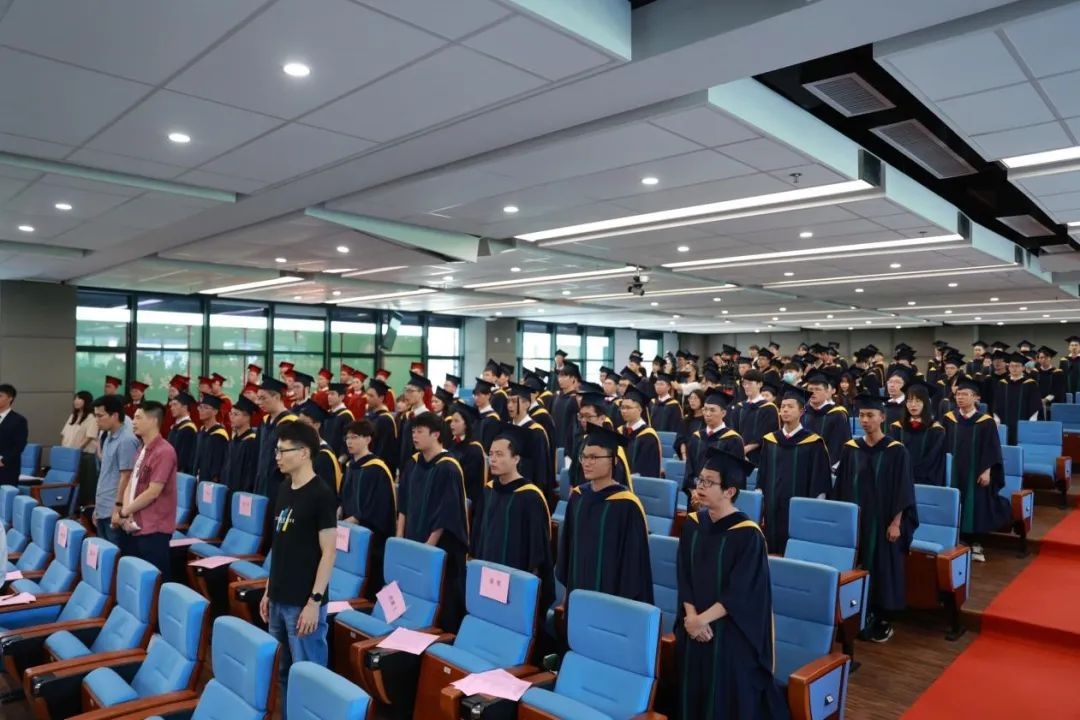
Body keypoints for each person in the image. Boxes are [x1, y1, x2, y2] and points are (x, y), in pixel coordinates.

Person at [676, 447, 789, 720]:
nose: (700, 487)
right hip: (694, 624)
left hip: (730, 628)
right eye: (700, 480)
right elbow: (684, 574)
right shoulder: (692, 524)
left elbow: (741, 592)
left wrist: (702, 620)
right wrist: (691, 617)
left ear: (729, 491)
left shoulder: (748, 535)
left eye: (709, 482)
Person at [258, 421, 337, 717]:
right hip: (278, 598)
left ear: (304, 453)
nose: (277, 457)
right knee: (282, 672)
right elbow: (279, 546)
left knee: (309, 676)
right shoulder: (283, 488)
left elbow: (329, 553)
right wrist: (268, 590)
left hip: (303, 603)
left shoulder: (321, 494)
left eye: (283, 451)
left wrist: (314, 602)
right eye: (276, 451)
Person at [832, 394, 918, 643]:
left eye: (870, 415)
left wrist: (896, 523)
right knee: (856, 565)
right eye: (862, 415)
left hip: (883, 522)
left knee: (882, 568)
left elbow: (904, 489)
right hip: (856, 522)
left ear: (882, 417)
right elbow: (841, 487)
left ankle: (881, 617)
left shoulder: (896, 451)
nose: (865, 420)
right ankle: (855, 613)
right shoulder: (851, 448)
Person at [556, 425, 652, 607]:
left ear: (613, 460)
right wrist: (567, 593)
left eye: (594, 457)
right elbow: (568, 550)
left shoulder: (627, 505)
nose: (587, 463)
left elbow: (633, 565)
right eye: (584, 456)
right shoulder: (578, 497)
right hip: (578, 592)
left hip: (613, 600)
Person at [396, 413, 470, 632]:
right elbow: (404, 503)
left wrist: (427, 548)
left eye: (420, 432)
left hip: (440, 549)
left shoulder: (449, 468)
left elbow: (447, 514)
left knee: (439, 596)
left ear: (436, 434)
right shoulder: (413, 463)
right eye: (413, 432)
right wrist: (400, 537)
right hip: (412, 540)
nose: (414, 436)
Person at [472, 425, 554, 612]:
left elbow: (537, 551)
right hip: (487, 575)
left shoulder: (530, 496)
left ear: (516, 459)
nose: (493, 459)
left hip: (516, 583)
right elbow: (478, 534)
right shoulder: (489, 490)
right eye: (491, 454)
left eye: (499, 454)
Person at [941, 377, 1012, 563]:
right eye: (958, 394)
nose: (960, 397)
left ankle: (976, 543)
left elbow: (992, 448)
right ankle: (956, 540)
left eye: (965, 394)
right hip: (953, 471)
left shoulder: (985, 422)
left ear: (975, 398)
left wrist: (987, 470)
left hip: (976, 471)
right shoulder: (949, 419)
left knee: (976, 504)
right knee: (954, 501)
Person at [757, 385, 831, 554]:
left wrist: (815, 510)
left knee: (794, 550)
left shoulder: (814, 443)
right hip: (772, 507)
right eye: (783, 406)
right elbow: (762, 475)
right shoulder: (770, 440)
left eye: (790, 406)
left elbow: (819, 480)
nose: (785, 410)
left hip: (800, 509)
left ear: (802, 411)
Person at [120, 401, 178, 581]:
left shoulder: (164, 451)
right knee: (137, 579)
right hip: (135, 524)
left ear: (153, 421)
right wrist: (126, 511)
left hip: (154, 528)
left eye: (138, 418)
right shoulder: (142, 449)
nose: (133, 422)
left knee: (156, 581)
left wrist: (125, 511)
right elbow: (131, 482)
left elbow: (153, 492)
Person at [340, 420, 396, 598]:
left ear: (367, 439)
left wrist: (356, 518)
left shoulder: (377, 469)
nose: (349, 441)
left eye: (354, 437)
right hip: (349, 531)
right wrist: (340, 510)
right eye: (347, 437)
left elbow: (380, 506)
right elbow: (343, 496)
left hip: (371, 537)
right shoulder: (350, 466)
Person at [92, 394, 140, 546]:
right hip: (103, 506)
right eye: (95, 415)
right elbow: (105, 474)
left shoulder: (126, 440)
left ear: (114, 415)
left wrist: (117, 509)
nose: (97, 420)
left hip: (114, 510)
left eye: (100, 416)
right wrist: (97, 507)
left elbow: (126, 477)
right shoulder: (108, 436)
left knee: (114, 553)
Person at [683, 392, 744, 503]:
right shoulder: (696, 437)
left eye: (712, 410)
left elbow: (735, 476)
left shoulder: (733, 440)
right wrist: (694, 491)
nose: (707, 414)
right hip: (696, 498)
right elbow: (689, 469)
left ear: (723, 413)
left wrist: (715, 496)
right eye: (705, 409)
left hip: (720, 501)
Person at [505, 382, 556, 508]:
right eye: (508, 401)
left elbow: (540, 470)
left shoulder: (536, 432)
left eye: (514, 401)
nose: (510, 405)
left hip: (528, 495)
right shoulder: (507, 428)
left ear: (526, 404)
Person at [889, 381, 946, 486]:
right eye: (909, 401)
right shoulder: (897, 428)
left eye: (918, 401)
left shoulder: (936, 430)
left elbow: (933, 460)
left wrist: (912, 473)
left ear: (926, 403)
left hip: (926, 481)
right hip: (901, 479)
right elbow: (893, 456)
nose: (913, 405)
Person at [254, 378, 299, 498]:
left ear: (277, 397)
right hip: (261, 482)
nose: (258, 402)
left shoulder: (290, 423)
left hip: (280, 484)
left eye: (263, 398)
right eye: (258, 398)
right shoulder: (265, 422)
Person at [801, 370, 851, 466]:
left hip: (827, 466)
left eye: (817, 389)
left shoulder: (838, 415)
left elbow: (839, 446)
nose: (813, 392)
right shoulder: (802, 413)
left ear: (827, 391)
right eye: (810, 389)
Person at [730, 370, 779, 465]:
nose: (746, 386)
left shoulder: (769, 408)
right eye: (744, 383)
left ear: (760, 384)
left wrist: (746, 449)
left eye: (750, 383)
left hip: (760, 456)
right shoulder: (739, 407)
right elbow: (734, 432)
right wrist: (739, 451)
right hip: (739, 456)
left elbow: (768, 434)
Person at [993, 352, 1041, 445]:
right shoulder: (1002, 383)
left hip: (1024, 421)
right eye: (1012, 366)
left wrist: (1032, 420)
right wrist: (996, 417)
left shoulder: (1030, 383)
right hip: (1005, 421)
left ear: (1023, 368)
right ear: (1008, 367)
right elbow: (996, 402)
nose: (1014, 368)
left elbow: (1035, 403)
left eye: (1017, 366)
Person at [448, 402, 488, 509]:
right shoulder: (452, 443)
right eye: (451, 421)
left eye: (456, 421)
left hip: (468, 501)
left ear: (466, 424)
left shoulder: (474, 448)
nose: (452, 424)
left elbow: (470, 479)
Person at [617, 386, 662, 478]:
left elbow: (649, 469)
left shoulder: (648, 436)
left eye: (628, 408)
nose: (624, 411)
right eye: (622, 407)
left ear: (639, 410)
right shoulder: (620, 431)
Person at [222, 396, 259, 494]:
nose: (231, 417)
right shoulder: (234, 440)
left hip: (241, 494)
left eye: (236, 414)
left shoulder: (251, 442)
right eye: (231, 413)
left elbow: (250, 475)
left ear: (247, 417)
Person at [62, 390, 99, 486]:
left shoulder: (92, 417)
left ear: (86, 401)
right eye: (75, 398)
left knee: (83, 484)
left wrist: (77, 449)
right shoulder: (73, 416)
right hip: (69, 454)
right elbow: (64, 434)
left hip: (83, 455)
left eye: (79, 399)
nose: (76, 401)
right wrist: (63, 450)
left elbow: (89, 437)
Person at [364, 378, 399, 475]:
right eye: (367, 394)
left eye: (371, 396)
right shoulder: (370, 416)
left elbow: (383, 450)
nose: (367, 398)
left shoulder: (385, 420)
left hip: (379, 469)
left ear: (381, 398)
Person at [193, 395, 229, 484]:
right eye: (200, 407)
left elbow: (218, 464)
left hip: (210, 482)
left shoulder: (219, 435)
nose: (201, 410)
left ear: (215, 412)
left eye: (205, 408)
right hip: (198, 478)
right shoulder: (202, 430)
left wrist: (213, 482)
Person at [0, 384, 28, 487]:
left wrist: (3, 461)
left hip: (6, 469)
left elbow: (19, 445)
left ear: (10, 398)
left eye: (0, 396)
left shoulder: (18, 420)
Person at [167, 391, 198, 474]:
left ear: (184, 407)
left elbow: (184, 457)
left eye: (175, 405)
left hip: (179, 473)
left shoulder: (188, 429)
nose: (172, 408)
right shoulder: (176, 426)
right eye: (171, 405)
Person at [1035, 346, 1066, 420]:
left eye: (1046, 357)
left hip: (1052, 404)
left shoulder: (1058, 373)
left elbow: (1058, 390)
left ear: (1050, 358)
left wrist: (1046, 399)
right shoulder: (1034, 373)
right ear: (1038, 359)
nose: (1043, 359)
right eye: (1041, 357)